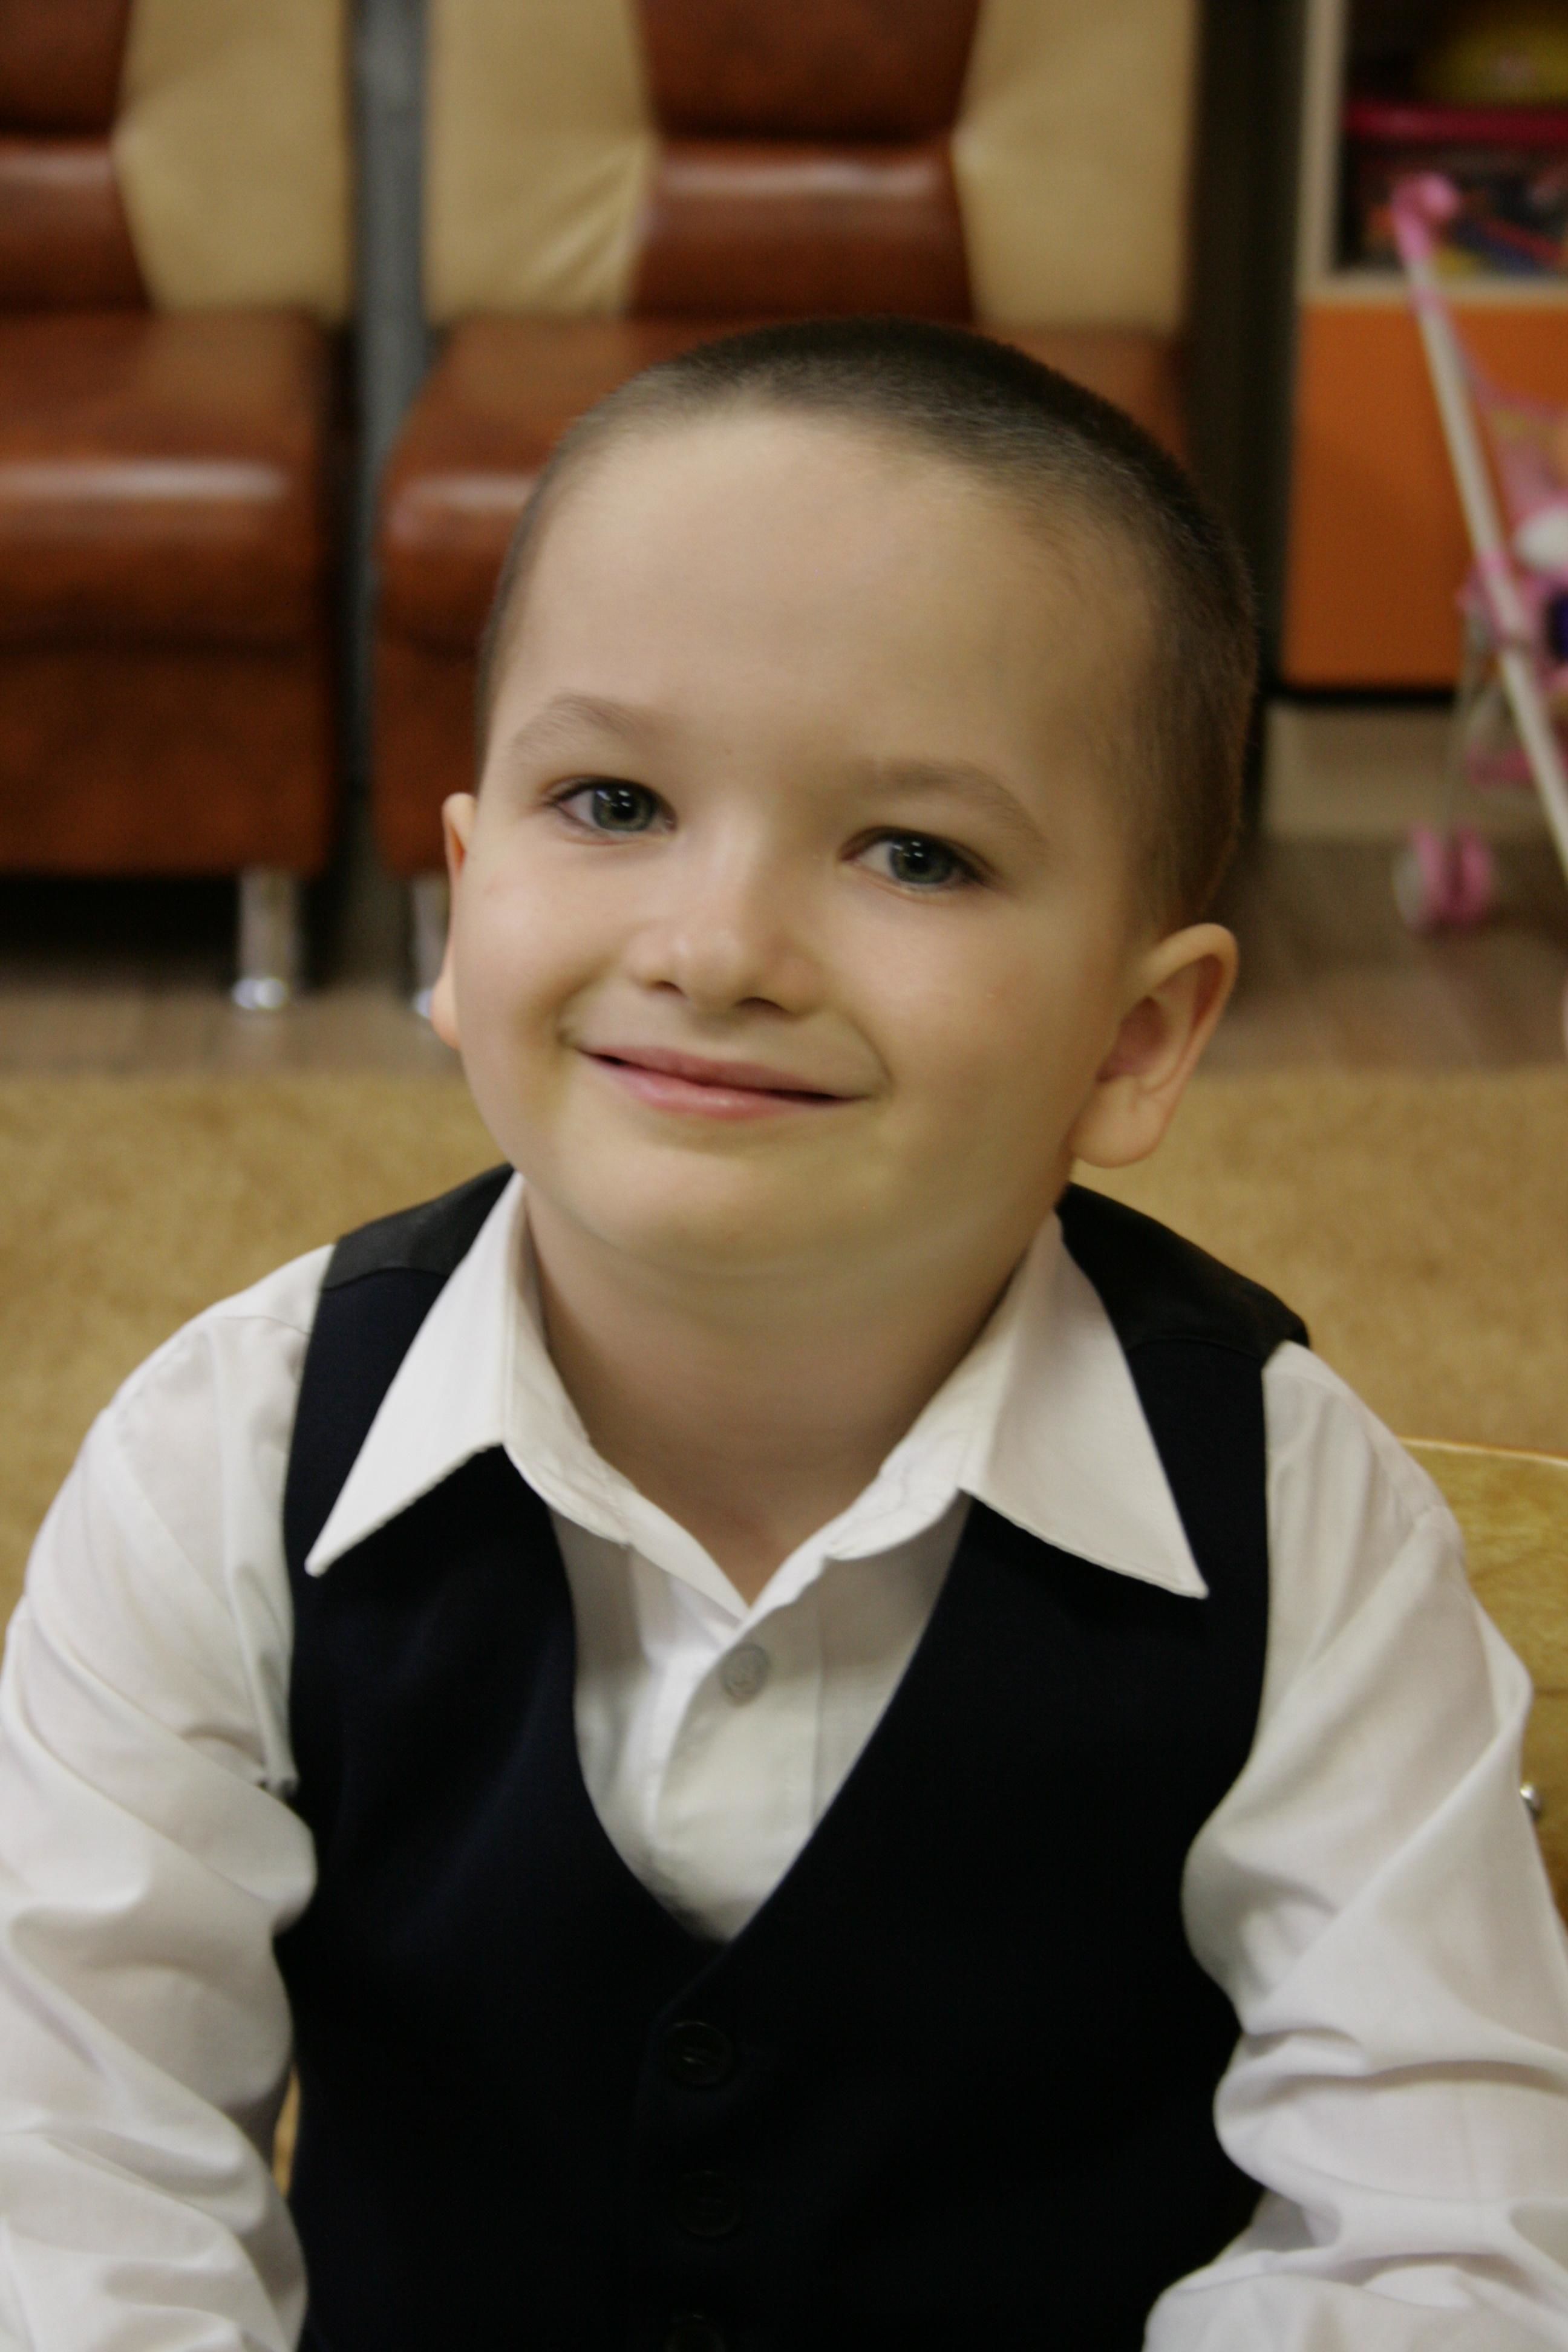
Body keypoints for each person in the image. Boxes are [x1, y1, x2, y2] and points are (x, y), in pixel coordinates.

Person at [2, 319, 1567, 2352]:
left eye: (916, 852)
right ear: (463, 910)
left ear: (1135, 1038)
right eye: (614, 799)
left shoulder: (1293, 1514)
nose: (720, 947)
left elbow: (1453, 2245)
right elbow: (69, 2182)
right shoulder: (220, 1461)